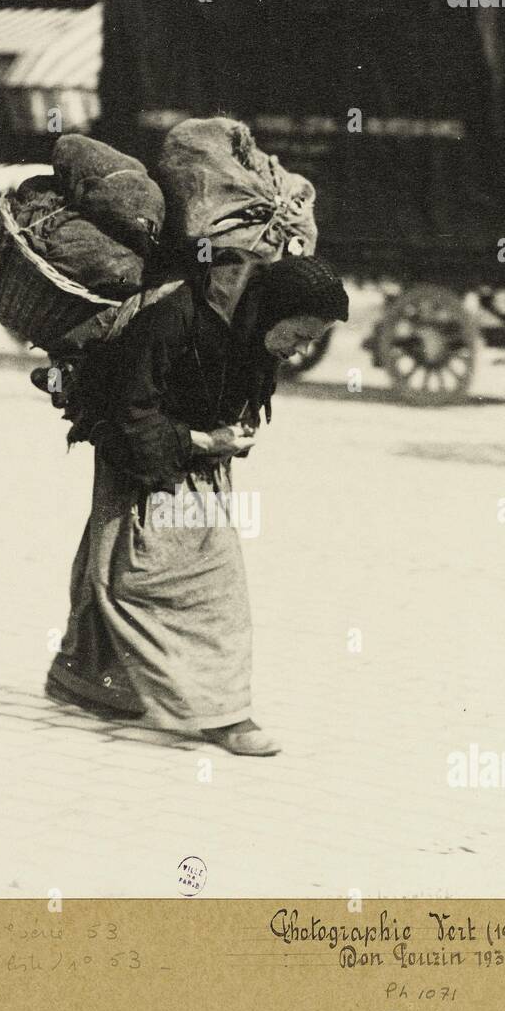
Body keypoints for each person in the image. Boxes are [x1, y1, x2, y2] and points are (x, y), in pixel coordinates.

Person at [46, 251, 349, 755]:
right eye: (297, 335)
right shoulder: (176, 316)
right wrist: (201, 442)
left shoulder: (248, 329)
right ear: (274, 310)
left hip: (191, 464)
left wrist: (231, 433)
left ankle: (84, 679)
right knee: (208, 586)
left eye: (308, 342)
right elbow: (128, 408)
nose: (298, 350)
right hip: (144, 461)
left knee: (116, 569)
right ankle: (224, 715)